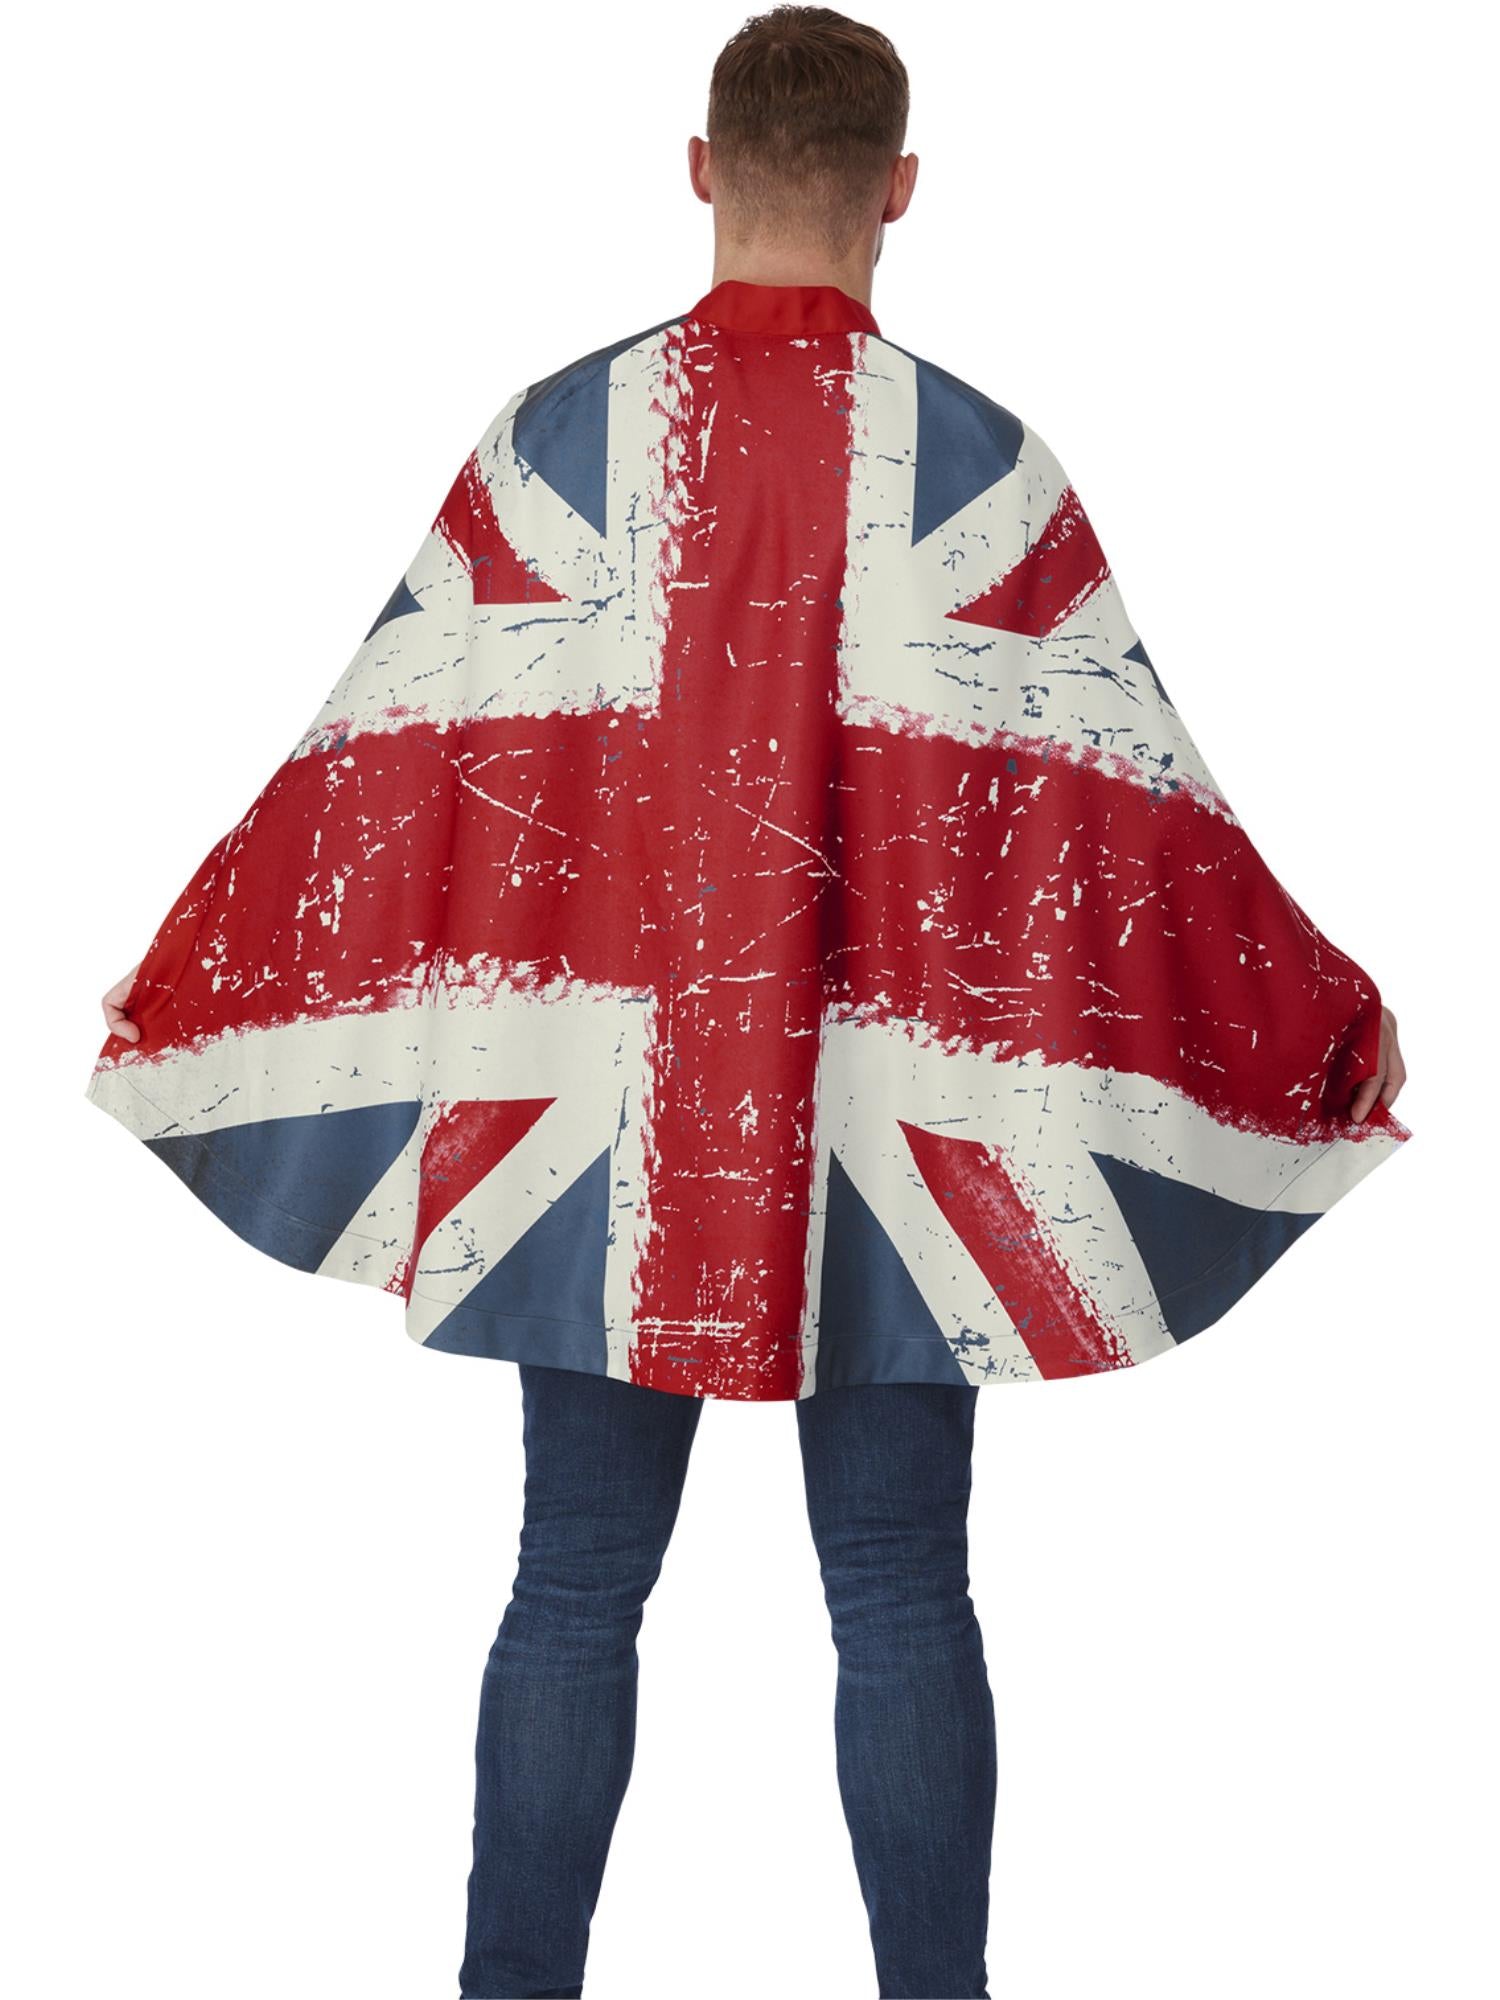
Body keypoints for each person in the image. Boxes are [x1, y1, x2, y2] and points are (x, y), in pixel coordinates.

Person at [94, 8, 1409, 1996]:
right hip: (895, 1142)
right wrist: (1320, 1018)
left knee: (570, 1590)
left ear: (698, 169)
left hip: (590, 1138)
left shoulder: (552, 446)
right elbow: (1141, 827)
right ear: (903, 188)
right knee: (901, 1596)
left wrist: (200, 959)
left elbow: (378, 767)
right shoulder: (987, 472)